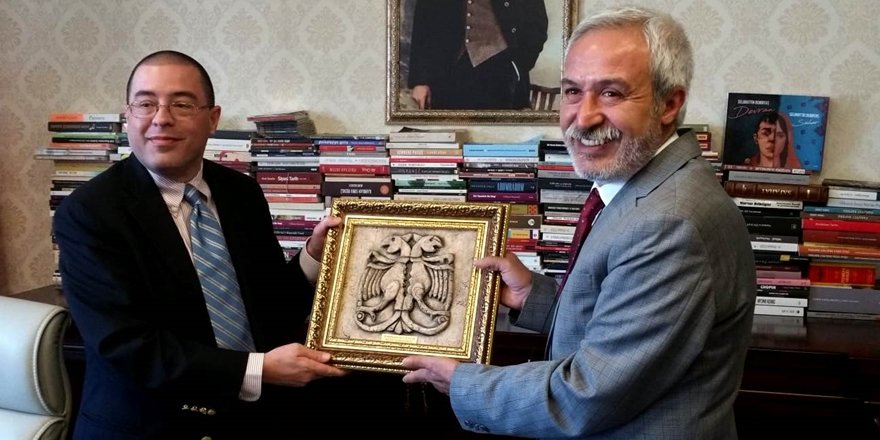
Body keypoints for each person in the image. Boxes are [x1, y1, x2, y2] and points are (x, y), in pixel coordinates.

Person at [402, 6, 757, 439]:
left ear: (669, 103)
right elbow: (615, 326)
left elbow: (587, 394)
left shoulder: (670, 222)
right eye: (572, 91)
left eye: (611, 93)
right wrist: (533, 296)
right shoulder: (644, 187)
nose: (583, 117)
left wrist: (462, 383)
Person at [53, 50, 346, 439]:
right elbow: (126, 346)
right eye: (146, 104)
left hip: (252, 420)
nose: (161, 118)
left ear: (212, 118)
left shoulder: (241, 193)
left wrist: (314, 254)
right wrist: (259, 370)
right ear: (128, 116)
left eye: (181, 104)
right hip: (149, 428)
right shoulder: (89, 213)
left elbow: (270, 305)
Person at [407, 0, 548, 110]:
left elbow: (537, 22)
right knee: (450, 132)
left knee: (501, 133)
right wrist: (420, 81)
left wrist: (517, 65)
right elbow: (424, 22)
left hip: (501, 68)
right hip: (449, 68)